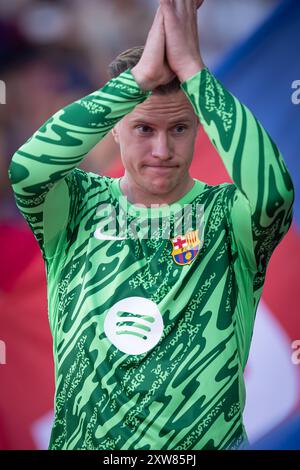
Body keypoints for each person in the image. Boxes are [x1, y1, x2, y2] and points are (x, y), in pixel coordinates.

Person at [8, 0, 294, 450]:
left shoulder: (226, 212)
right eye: (143, 129)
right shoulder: (77, 206)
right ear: (114, 128)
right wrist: (136, 81)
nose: (161, 149)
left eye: (178, 129)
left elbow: (274, 192)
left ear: (197, 130)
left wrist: (195, 72)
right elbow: (29, 170)